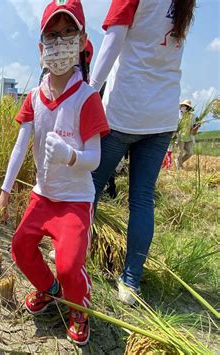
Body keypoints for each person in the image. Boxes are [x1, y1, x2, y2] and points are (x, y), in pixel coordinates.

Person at [0, 0, 109, 345]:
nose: (60, 42)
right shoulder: (34, 97)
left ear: (81, 39)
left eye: (68, 32)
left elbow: (95, 158)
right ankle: (50, 290)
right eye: (52, 34)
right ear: (42, 45)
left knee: (69, 264)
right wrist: (5, 189)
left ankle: (79, 307)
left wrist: (69, 155)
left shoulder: (87, 98)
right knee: (20, 248)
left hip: (75, 200)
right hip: (42, 195)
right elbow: (19, 145)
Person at [89, 0, 196, 305]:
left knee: (92, 186)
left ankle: (75, 252)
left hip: (126, 109)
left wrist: (89, 92)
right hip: (162, 116)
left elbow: (112, 43)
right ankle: (131, 280)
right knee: (142, 198)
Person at [175, 99, 197, 169]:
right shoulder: (179, 116)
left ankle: (179, 162)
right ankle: (179, 168)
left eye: (185, 106)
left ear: (188, 108)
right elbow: (176, 127)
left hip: (189, 137)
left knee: (190, 153)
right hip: (181, 137)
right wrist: (175, 137)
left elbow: (195, 125)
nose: (183, 107)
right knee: (180, 152)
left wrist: (197, 126)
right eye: (182, 106)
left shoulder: (192, 116)